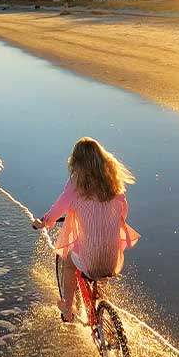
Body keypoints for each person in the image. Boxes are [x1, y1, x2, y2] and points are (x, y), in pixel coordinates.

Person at [32, 137, 139, 321]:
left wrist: (45, 221)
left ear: (76, 162)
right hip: (113, 259)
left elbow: (59, 208)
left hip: (90, 259)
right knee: (100, 262)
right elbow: (122, 212)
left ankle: (67, 308)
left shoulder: (76, 184)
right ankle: (102, 307)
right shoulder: (113, 184)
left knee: (69, 263)